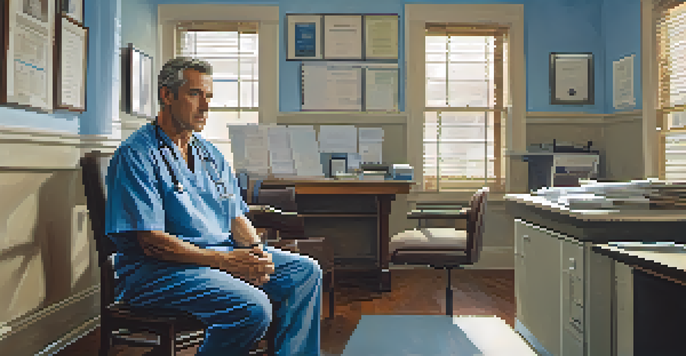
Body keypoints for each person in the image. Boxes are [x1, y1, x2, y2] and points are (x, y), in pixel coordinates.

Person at [104, 56, 322, 355]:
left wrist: (255, 254)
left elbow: (235, 216)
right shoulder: (136, 155)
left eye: (208, 96)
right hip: (158, 271)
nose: (205, 107)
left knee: (305, 272)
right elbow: (151, 242)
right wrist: (227, 262)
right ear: (167, 95)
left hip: (218, 259)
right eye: (195, 94)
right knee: (253, 308)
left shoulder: (210, 155)